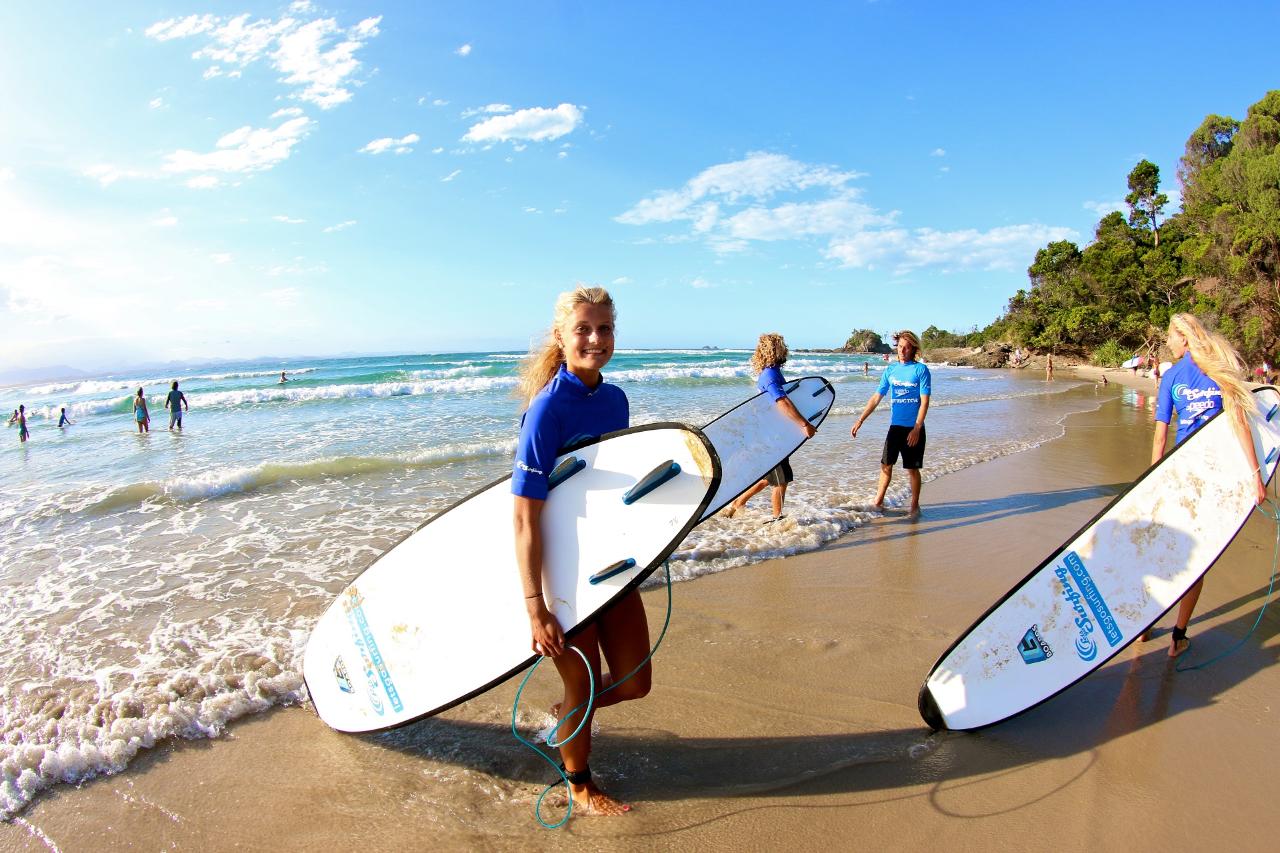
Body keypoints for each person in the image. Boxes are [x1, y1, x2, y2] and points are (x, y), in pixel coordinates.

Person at [512, 285, 643, 817]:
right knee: (584, 680)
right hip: (562, 572)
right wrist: (534, 605)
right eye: (583, 329)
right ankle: (580, 785)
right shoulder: (546, 411)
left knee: (635, 681)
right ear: (562, 338)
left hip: (609, 562)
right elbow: (524, 515)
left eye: (604, 328)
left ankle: (566, 712)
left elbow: (613, 489)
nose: (595, 338)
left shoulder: (616, 400)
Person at [1141, 313, 1267, 657]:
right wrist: (1256, 476)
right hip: (1213, 475)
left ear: (1183, 338)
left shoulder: (1171, 377)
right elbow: (1239, 422)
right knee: (1198, 557)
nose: (1168, 343)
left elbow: (1161, 435)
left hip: (1179, 472)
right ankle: (1178, 637)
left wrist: (1152, 481)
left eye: (1170, 337)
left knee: (1167, 549)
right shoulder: (1218, 369)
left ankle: (1145, 623)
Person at [723, 333, 817, 522]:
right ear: (776, 349)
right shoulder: (771, 374)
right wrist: (804, 424)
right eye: (783, 346)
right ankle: (777, 519)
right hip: (770, 438)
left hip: (772, 434)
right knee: (781, 479)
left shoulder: (770, 371)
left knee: (770, 477)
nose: (786, 349)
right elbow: (781, 401)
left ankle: (738, 503)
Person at [850, 330, 932, 516]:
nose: (902, 351)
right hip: (895, 427)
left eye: (907, 347)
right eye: (900, 347)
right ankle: (877, 502)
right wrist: (860, 419)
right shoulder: (891, 370)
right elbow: (876, 397)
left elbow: (925, 401)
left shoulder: (921, 370)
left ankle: (914, 506)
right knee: (886, 465)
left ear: (913, 349)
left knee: (912, 469)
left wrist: (917, 428)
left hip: (914, 428)